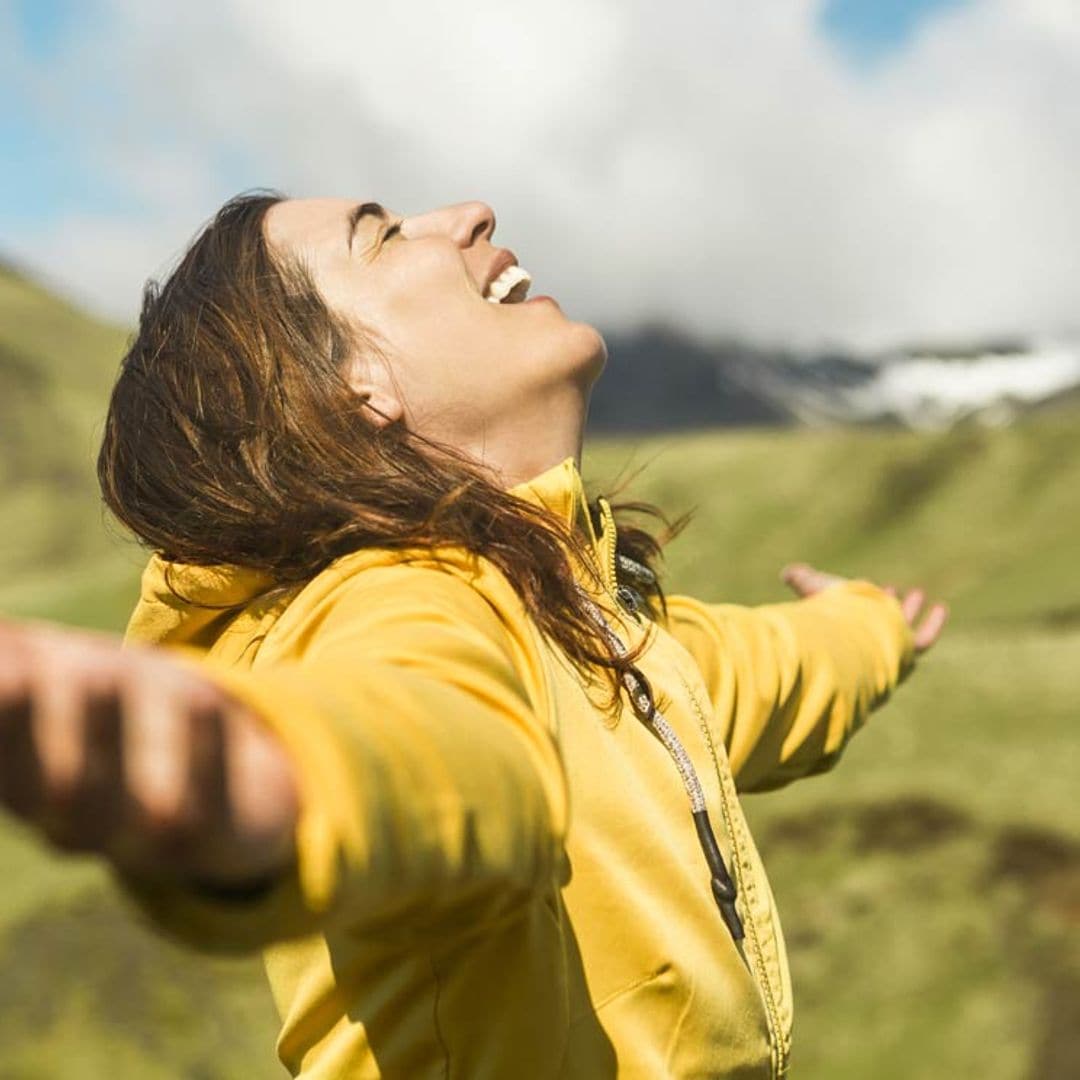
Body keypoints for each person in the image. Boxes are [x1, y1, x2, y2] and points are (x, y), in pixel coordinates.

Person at [0, 193, 946, 1078]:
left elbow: (753, 674)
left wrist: (870, 626)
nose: (466, 214)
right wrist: (267, 774)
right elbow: (427, 738)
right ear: (350, 388)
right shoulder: (405, 595)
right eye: (380, 234)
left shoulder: (586, 628)